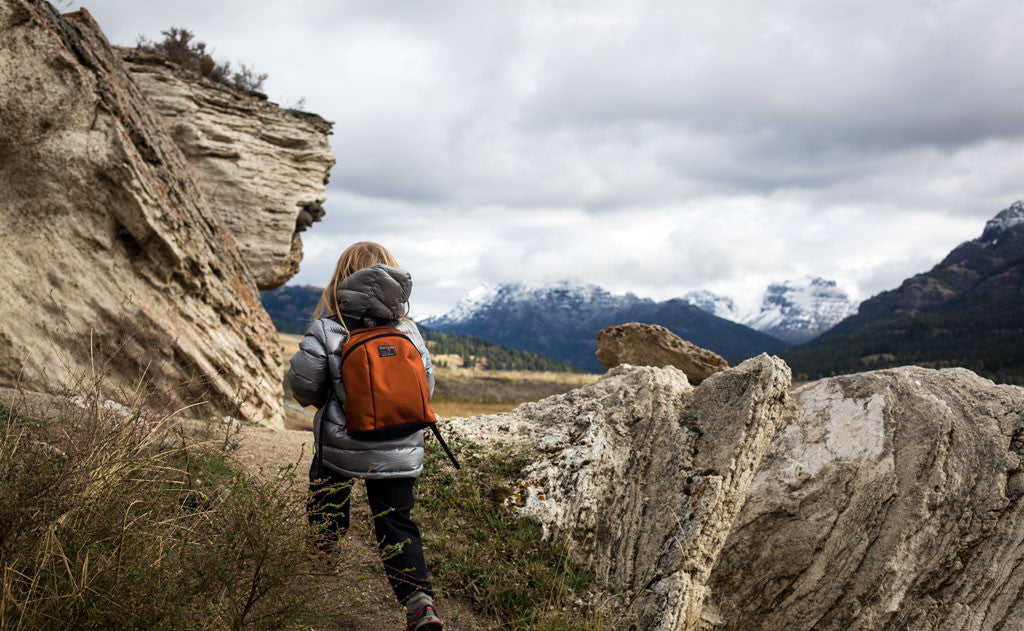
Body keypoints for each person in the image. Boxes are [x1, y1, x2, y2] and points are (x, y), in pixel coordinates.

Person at [286, 242, 443, 631]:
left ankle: (323, 553)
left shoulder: (327, 327)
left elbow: (303, 388)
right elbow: (427, 386)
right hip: (400, 447)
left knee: (326, 485)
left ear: (341, 278)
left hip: (344, 444)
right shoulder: (408, 329)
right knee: (396, 521)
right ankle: (419, 603)